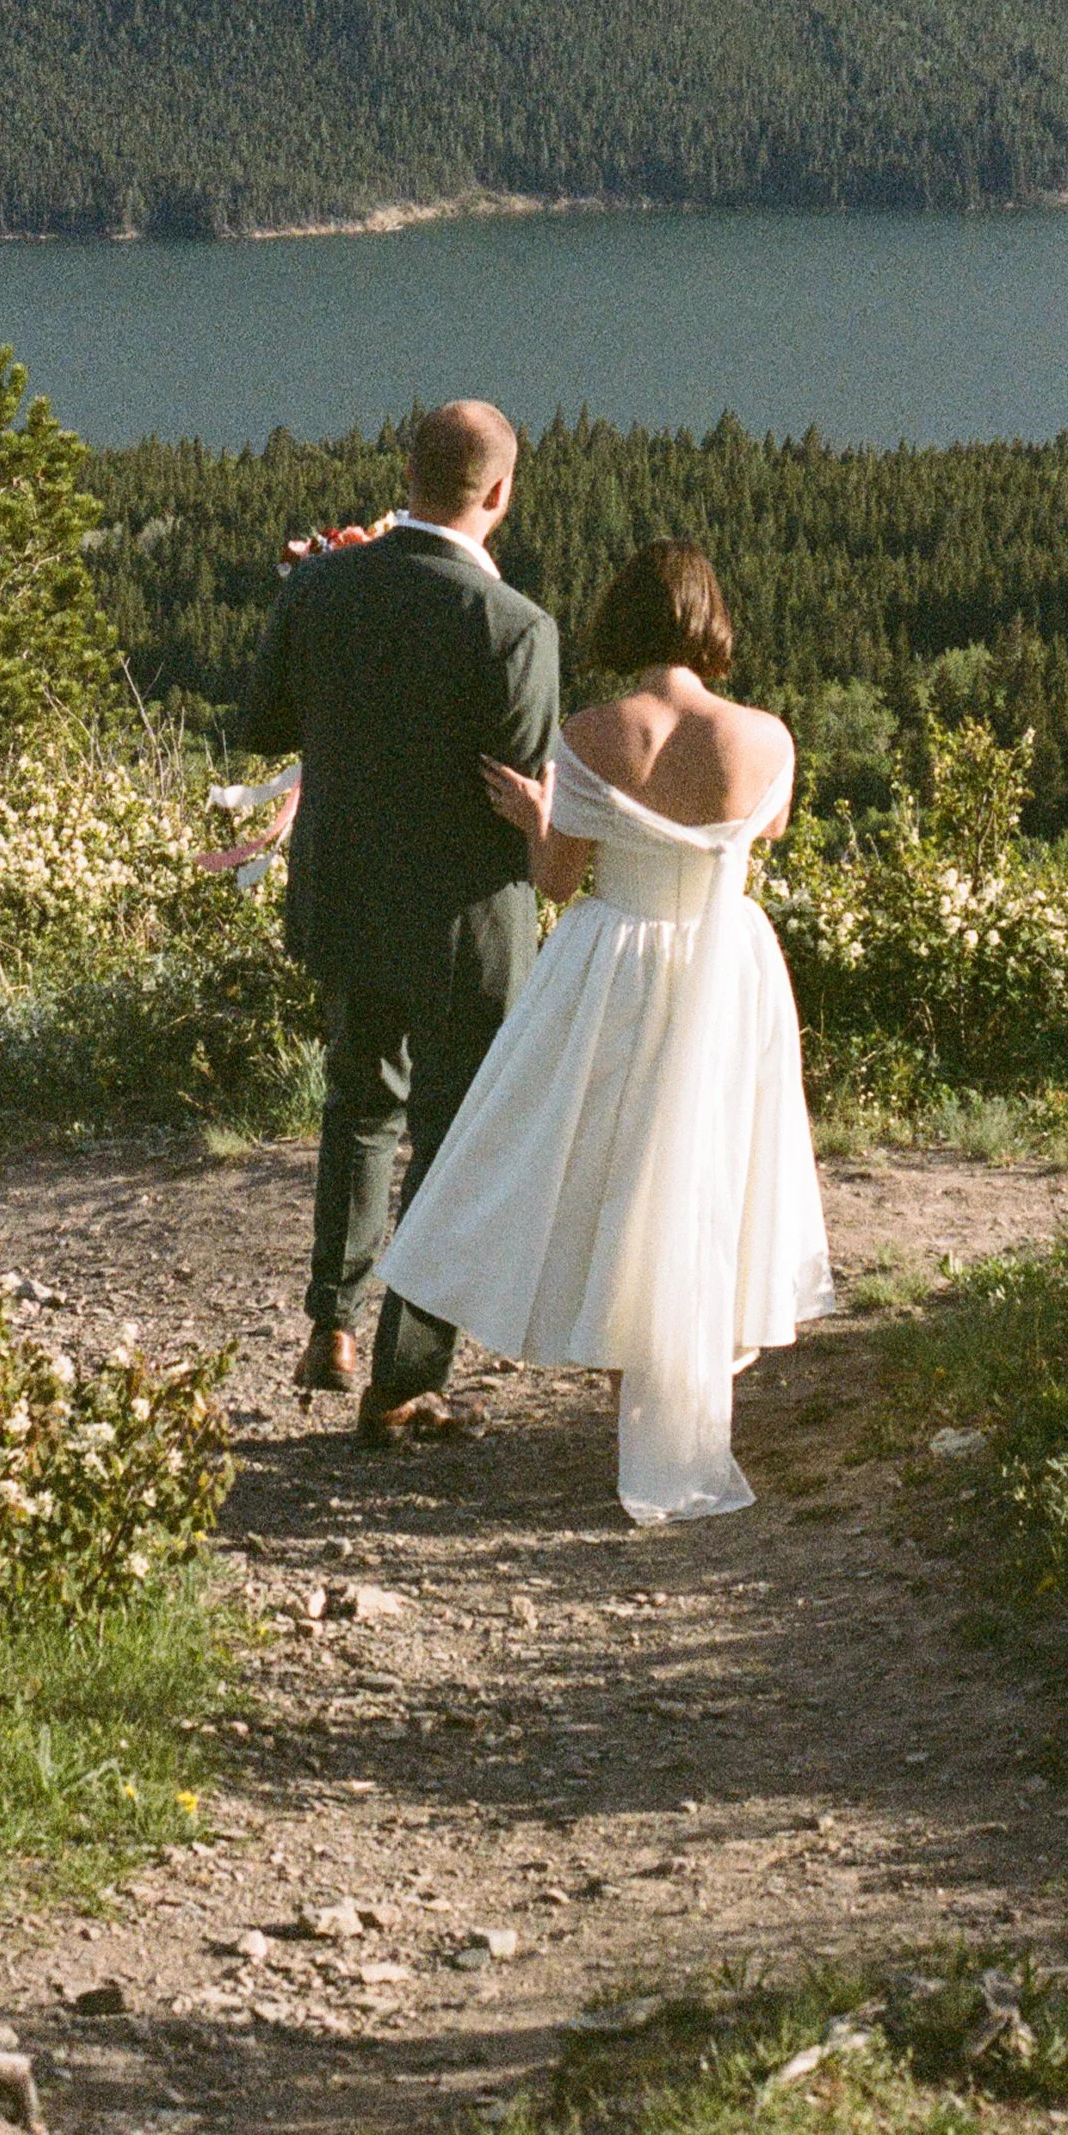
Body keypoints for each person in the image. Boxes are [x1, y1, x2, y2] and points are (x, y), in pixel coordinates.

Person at [379, 539, 833, 1523]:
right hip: (724, 957)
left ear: (624, 621)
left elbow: (558, 879)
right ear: (710, 620)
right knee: (707, 1164)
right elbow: (762, 836)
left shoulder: (587, 733)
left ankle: (631, 1365)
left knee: (612, 1164)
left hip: (612, 957)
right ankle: (688, 1393)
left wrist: (542, 815)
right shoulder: (767, 736)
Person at [236, 399, 561, 1444]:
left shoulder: (322, 586)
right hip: (465, 922)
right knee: (453, 1138)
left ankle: (330, 1323)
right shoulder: (514, 628)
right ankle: (404, 1378)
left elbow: (262, 725)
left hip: (345, 894)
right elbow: (524, 787)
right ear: (500, 494)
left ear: (406, 474)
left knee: (358, 1100)